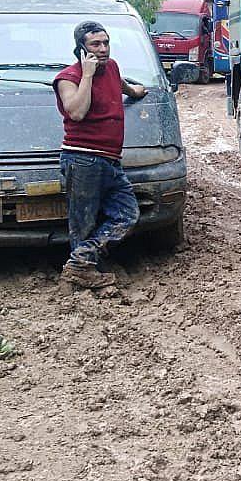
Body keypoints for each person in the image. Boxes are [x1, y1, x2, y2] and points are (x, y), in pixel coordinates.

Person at [53, 21, 147, 289]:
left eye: (106, 42)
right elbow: (77, 112)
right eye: (96, 44)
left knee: (127, 214)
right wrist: (87, 75)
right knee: (82, 222)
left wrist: (136, 91)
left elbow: (123, 86)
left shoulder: (113, 68)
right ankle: (80, 276)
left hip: (110, 160)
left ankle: (80, 262)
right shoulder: (68, 78)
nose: (103, 48)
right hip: (82, 159)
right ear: (81, 49)